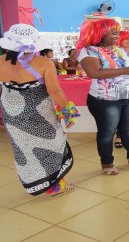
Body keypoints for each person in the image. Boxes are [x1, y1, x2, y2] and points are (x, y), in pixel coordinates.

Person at [0, 24, 78, 198]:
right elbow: (54, 91)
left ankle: (41, 184)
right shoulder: (44, 63)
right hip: (40, 112)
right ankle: (55, 187)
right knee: (51, 143)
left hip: (11, 111)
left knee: (24, 148)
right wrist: (67, 111)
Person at [76, 19, 129, 175]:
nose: (118, 36)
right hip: (105, 100)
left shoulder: (119, 50)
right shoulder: (89, 51)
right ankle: (107, 163)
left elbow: (124, 69)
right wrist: (126, 71)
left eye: (118, 32)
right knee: (107, 131)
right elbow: (94, 73)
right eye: (114, 33)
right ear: (101, 34)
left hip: (128, 96)